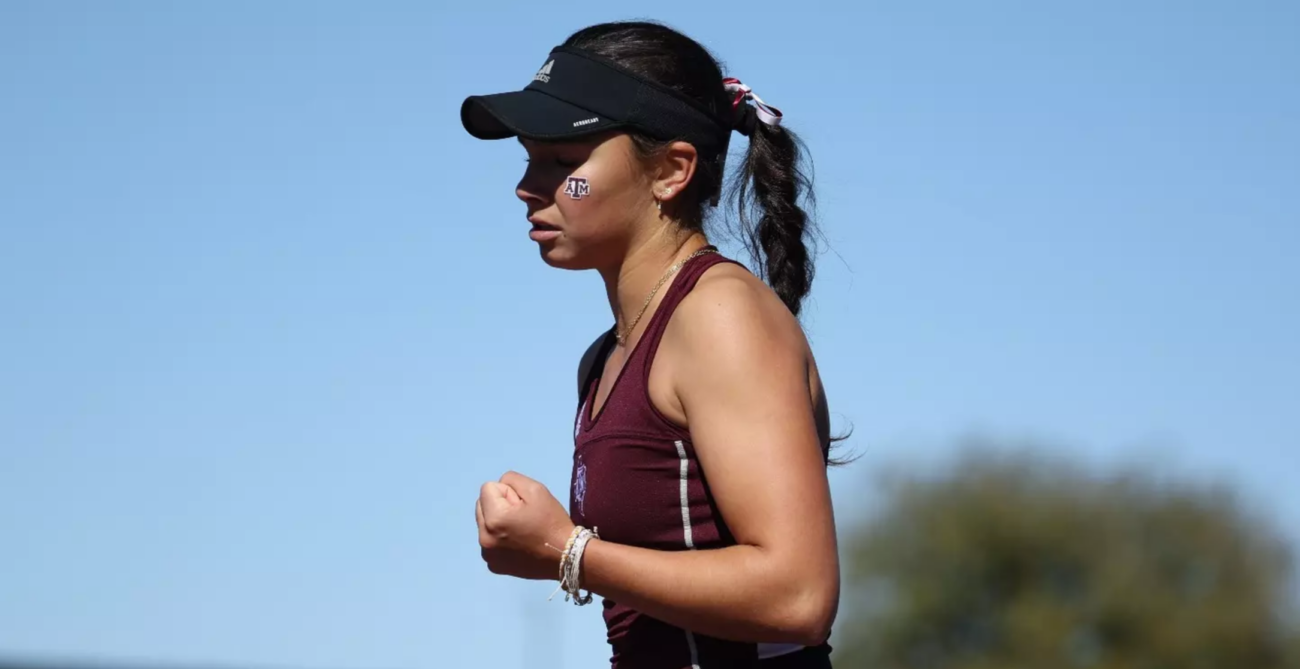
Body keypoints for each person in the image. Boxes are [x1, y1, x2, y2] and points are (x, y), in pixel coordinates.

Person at [462, 20, 841, 669]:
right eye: (529, 158)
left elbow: (799, 595)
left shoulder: (718, 316)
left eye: (563, 162)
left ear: (671, 170)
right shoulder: (604, 356)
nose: (528, 186)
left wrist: (566, 551)